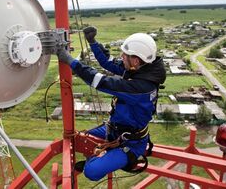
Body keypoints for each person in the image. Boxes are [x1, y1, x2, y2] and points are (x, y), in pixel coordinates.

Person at [56, 26, 166, 181]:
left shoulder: (141, 88)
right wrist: (93, 42)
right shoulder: (139, 70)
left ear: (135, 60)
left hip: (131, 142)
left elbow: (100, 81)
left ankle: (98, 160)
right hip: (114, 128)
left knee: (92, 172)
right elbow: (108, 63)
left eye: (125, 55)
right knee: (81, 138)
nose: (122, 57)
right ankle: (102, 156)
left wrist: (71, 61)